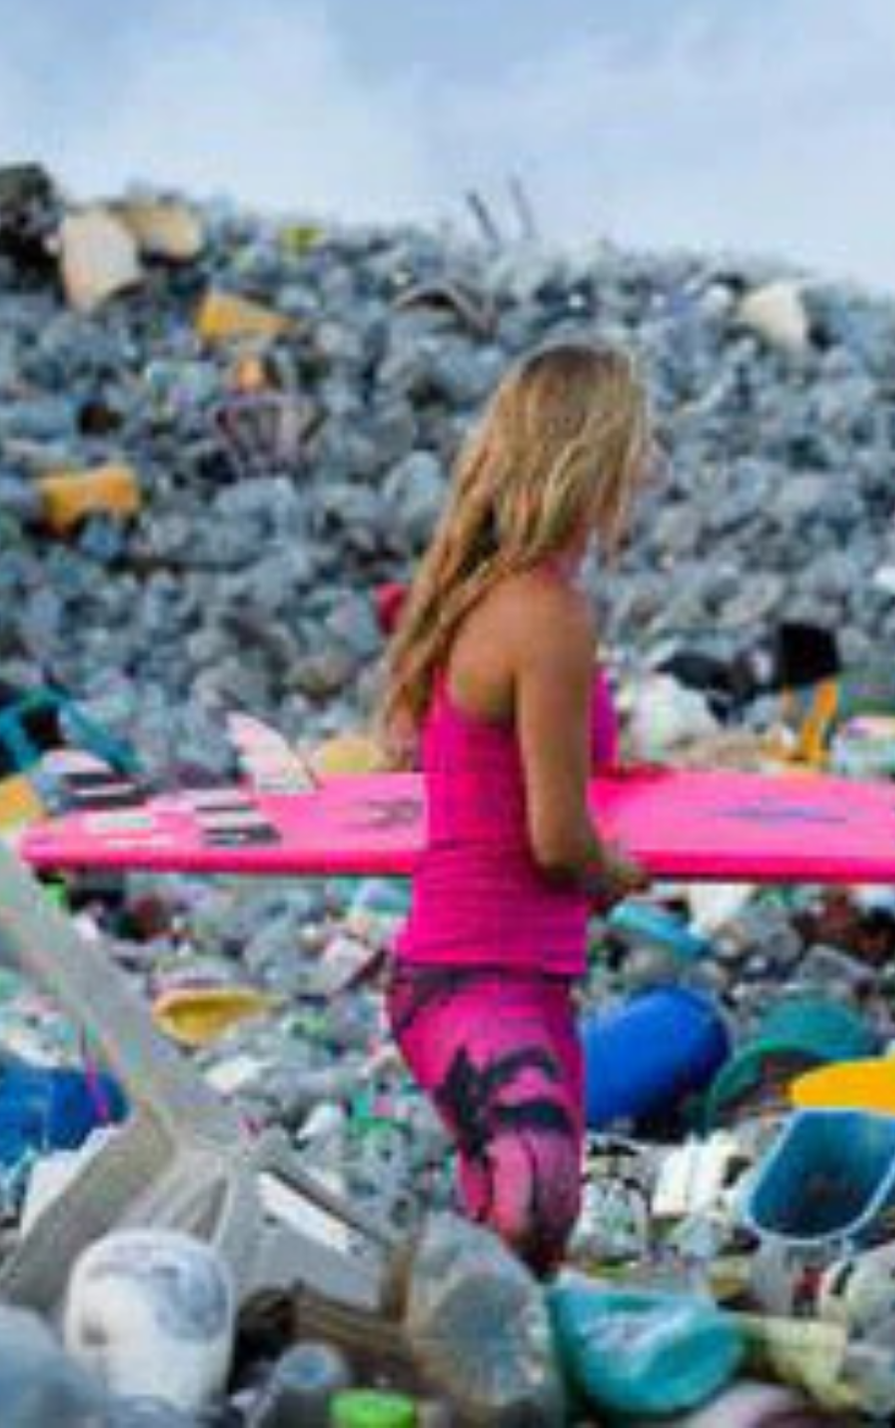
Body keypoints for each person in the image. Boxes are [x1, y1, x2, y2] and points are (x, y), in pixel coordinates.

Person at [378, 340, 657, 1274]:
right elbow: (556, 841)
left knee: (523, 1228)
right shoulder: (547, 613)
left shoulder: (500, 597)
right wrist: (611, 872)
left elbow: (507, 768)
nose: (648, 467)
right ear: (599, 459)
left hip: (517, 981)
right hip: (472, 976)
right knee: (538, 1200)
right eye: (638, 445)